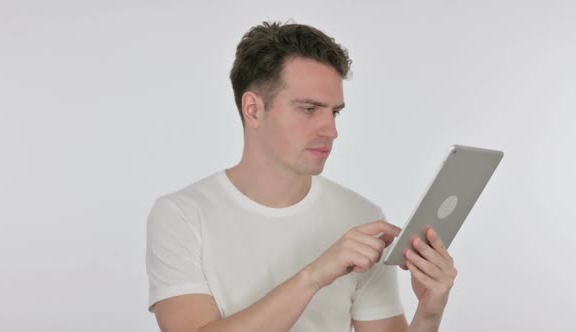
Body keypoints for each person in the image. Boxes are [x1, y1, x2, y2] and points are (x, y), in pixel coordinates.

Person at [145, 21, 458, 332]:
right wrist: (315, 275)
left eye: (334, 112)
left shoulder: (361, 218)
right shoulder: (182, 216)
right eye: (309, 109)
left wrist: (429, 311)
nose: (331, 130)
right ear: (253, 109)